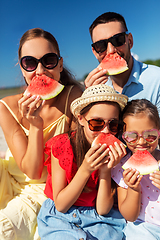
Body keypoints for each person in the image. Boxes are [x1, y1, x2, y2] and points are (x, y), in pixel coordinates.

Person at [0, 28, 83, 240]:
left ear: (60, 64)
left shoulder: (72, 99)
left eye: (49, 60)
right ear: (22, 68)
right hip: (6, 178)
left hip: (41, 190)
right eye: (30, 63)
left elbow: (35, 173)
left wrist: (35, 125)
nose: (40, 71)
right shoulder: (5, 106)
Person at [37, 84, 128, 240]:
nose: (105, 131)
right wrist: (85, 169)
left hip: (98, 218)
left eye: (113, 125)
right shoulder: (61, 146)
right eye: (97, 123)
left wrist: (105, 171)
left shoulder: (117, 151)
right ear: (81, 119)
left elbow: (103, 209)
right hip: (61, 216)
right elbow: (61, 205)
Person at [84, 12, 160, 116]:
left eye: (117, 40)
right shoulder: (95, 88)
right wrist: (89, 101)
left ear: (130, 41)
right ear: (95, 52)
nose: (111, 50)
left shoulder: (157, 80)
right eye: (100, 45)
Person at [111, 99, 160, 240]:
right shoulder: (121, 168)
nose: (141, 142)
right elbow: (130, 216)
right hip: (142, 228)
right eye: (132, 136)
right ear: (123, 136)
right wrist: (133, 189)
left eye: (150, 135)